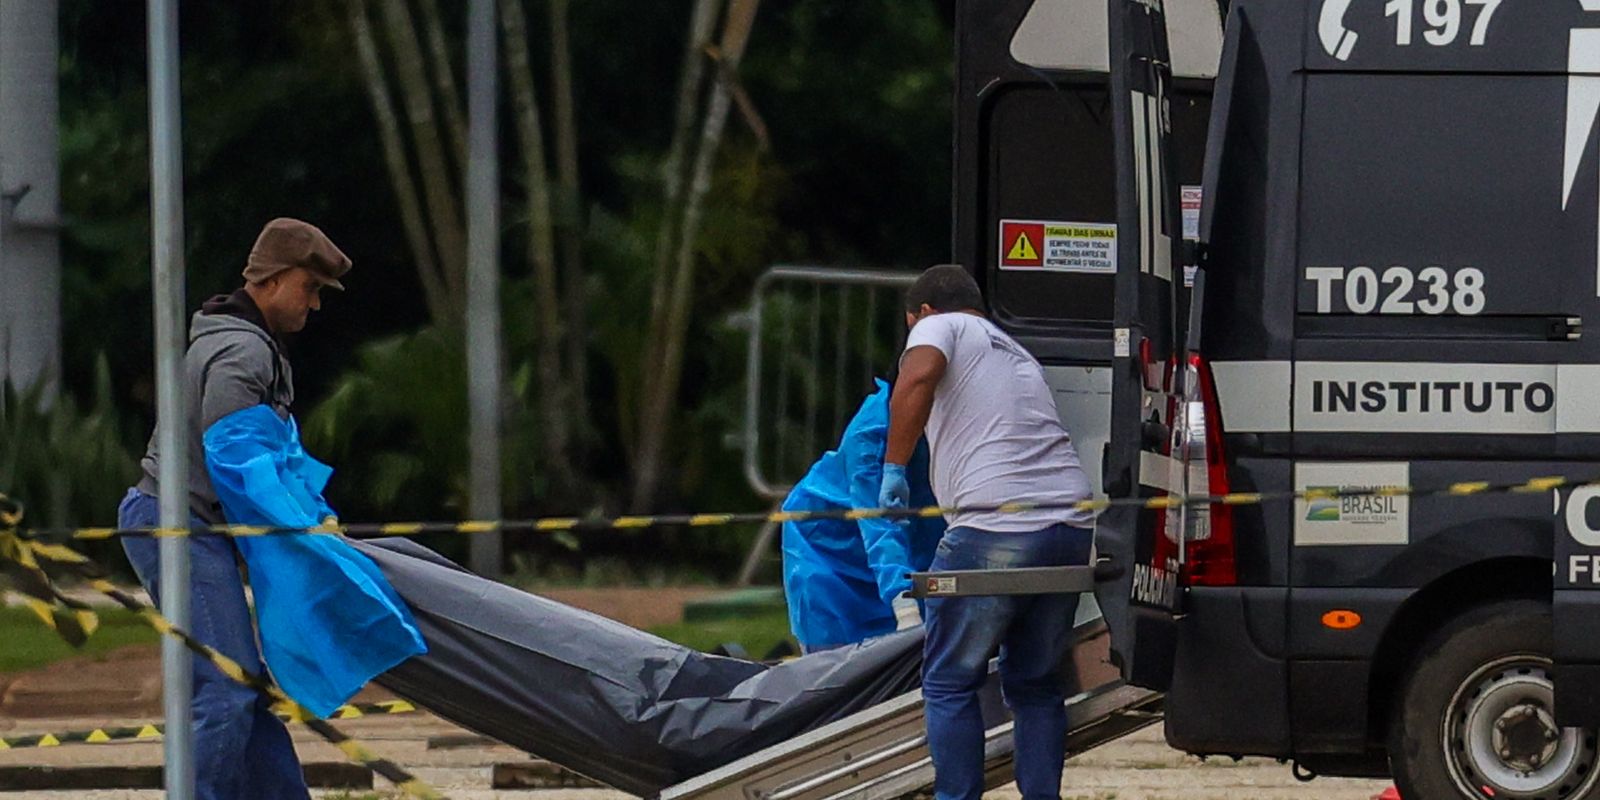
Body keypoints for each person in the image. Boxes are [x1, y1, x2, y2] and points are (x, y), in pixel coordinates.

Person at [117, 218, 352, 800]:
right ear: (272, 280)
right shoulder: (242, 351)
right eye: (310, 288)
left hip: (188, 523)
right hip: (176, 525)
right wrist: (300, 532)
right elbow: (238, 460)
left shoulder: (246, 343)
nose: (315, 305)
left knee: (246, 690)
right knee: (225, 692)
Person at [880, 264, 1096, 800]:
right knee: (1035, 683)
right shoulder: (1014, 350)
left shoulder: (939, 326)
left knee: (950, 680)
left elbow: (919, 375)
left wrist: (893, 466)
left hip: (995, 526)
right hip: (1069, 525)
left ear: (924, 312)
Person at [781, 378, 945, 653]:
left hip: (914, 545)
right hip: (829, 551)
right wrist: (904, 605)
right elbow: (878, 522)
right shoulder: (871, 433)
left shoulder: (952, 418)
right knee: (837, 669)